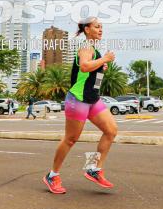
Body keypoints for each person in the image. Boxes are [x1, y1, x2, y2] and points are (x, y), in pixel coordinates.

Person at [43, 17, 118, 194]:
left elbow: (88, 70)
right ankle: (52, 175)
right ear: (87, 30)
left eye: (102, 27)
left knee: (111, 130)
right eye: (97, 27)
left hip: (92, 99)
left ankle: (94, 169)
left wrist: (100, 66)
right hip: (78, 99)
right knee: (71, 139)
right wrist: (104, 59)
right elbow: (84, 66)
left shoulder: (94, 50)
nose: (100, 29)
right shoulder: (86, 48)